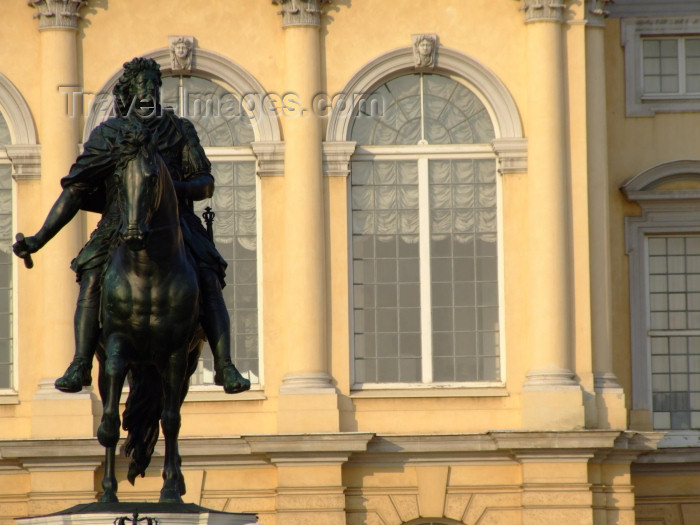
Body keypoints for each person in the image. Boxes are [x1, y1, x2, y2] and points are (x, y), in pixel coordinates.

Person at [13, 57, 250, 395]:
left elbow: (205, 183)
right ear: (127, 96)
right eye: (141, 89)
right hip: (118, 222)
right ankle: (80, 361)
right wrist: (39, 238)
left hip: (176, 220)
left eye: (153, 87)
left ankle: (225, 365)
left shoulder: (179, 130)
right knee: (92, 272)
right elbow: (75, 191)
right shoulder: (109, 135)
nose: (148, 94)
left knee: (208, 272)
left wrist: (171, 190)